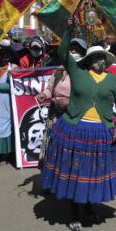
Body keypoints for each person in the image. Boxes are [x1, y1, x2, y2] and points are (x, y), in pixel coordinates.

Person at [41, 19, 116, 231]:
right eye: (95, 57)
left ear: (106, 60)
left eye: (102, 57)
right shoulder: (77, 72)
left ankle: (88, 208)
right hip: (75, 129)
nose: (99, 61)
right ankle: (74, 213)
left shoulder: (112, 80)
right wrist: (68, 29)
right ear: (89, 59)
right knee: (75, 173)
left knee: (93, 174)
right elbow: (62, 51)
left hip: (101, 132)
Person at [36, 38, 87, 166]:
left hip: (74, 117)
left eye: (77, 48)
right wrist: (44, 94)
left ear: (83, 51)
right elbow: (50, 89)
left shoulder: (86, 72)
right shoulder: (59, 71)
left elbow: (87, 95)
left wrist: (70, 103)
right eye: (71, 48)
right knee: (54, 144)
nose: (73, 51)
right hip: (56, 115)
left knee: (71, 148)